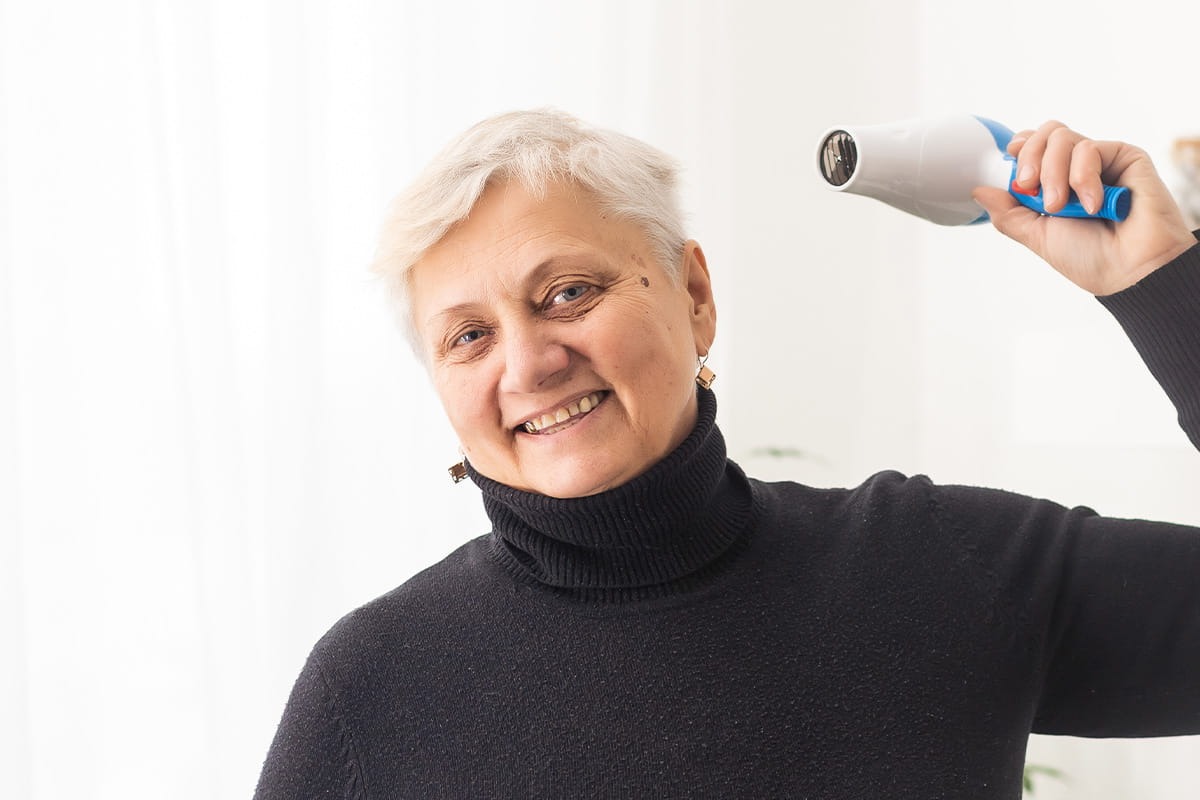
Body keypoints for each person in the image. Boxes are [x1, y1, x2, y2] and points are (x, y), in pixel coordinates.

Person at [253, 109, 1200, 799]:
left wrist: (1161, 283)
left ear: (694, 295)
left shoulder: (937, 566)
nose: (529, 365)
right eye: (468, 337)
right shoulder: (372, 686)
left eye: (568, 293)